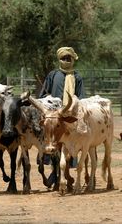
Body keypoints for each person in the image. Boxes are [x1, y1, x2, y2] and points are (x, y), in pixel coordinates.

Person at [38, 46, 85, 187]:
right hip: (53, 118)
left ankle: (64, 176)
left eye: (68, 58)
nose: (66, 61)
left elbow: (81, 97)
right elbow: (43, 95)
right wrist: (49, 100)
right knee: (52, 145)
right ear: (59, 59)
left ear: (72, 59)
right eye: (64, 58)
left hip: (69, 116)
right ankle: (56, 174)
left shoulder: (77, 76)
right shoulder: (53, 75)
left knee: (69, 146)